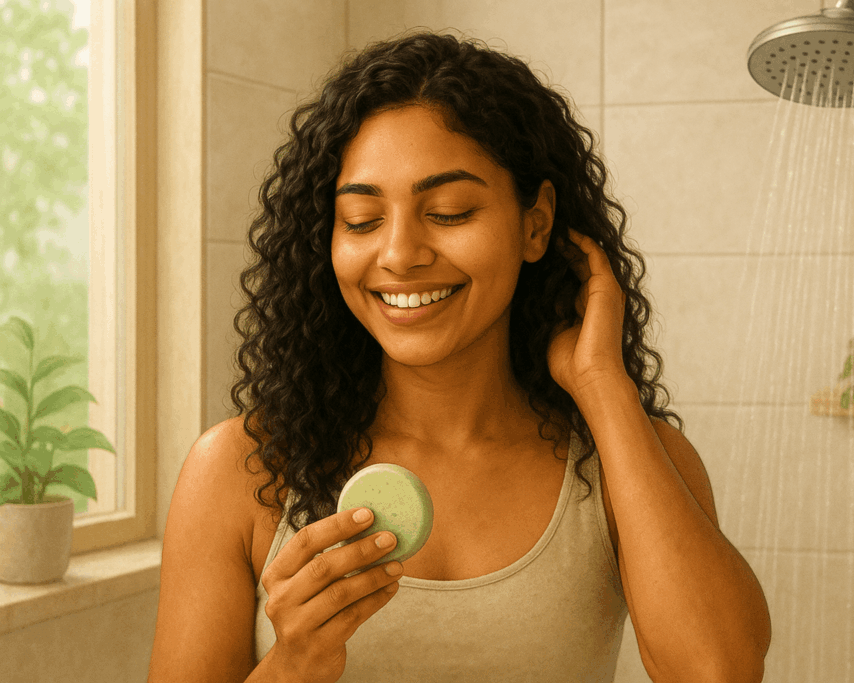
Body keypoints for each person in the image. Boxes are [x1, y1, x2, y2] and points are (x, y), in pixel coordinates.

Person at [148, 31, 771, 683]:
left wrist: (600, 383)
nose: (399, 254)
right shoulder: (241, 470)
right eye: (361, 219)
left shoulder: (628, 458)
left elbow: (720, 671)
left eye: (449, 212)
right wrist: (292, 663)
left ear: (534, 224)